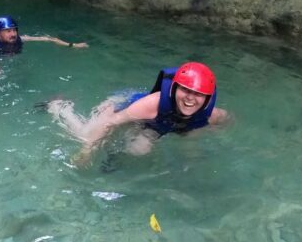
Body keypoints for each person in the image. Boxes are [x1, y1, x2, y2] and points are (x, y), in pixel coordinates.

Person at [49, 62, 229, 165]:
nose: (190, 98)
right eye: (185, 90)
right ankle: (59, 107)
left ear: (207, 98)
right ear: (174, 89)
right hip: (123, 107)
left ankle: (115, 156)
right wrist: (86, 151)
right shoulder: (152, 104)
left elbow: (228, 121)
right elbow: (110, 122)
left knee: (139, 150)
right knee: (84, 136)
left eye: (198, 94)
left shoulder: (213, 115)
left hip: (155, 124)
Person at [0, 15, 88, 76]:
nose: (13, 34)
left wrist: (72, 45)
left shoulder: (20, 38)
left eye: (14, 30)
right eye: (8, 31)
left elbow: (48, 39)